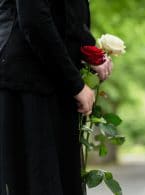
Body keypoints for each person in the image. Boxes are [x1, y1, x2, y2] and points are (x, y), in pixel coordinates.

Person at [0, 0, 112, 194]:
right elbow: (34, 20)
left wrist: (91, 52)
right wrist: (76, 85)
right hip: (26, 86)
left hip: (52, 83)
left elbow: (67, 12)